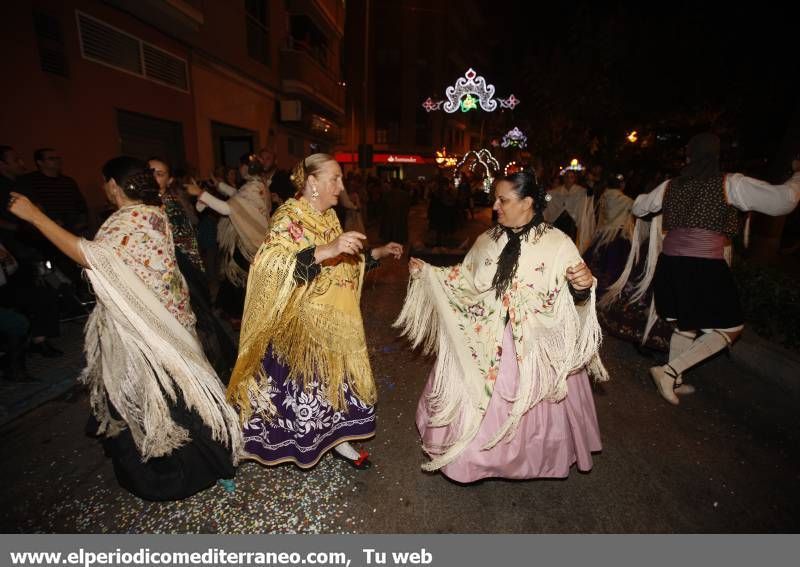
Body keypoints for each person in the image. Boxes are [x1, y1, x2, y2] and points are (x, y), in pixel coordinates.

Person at [7, 157, 241, 500]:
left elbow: (92, 257)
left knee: (165, 400)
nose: (103, 188)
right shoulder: (151, 212)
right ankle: (215, 464)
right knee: (177, 396)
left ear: (114, 185)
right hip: (166, 325)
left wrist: (35, 217)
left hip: (149, 333)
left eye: (105, 182)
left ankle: (184, 473)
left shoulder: (130, 219)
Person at [396, 171, 607, 482]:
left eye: (503, 200)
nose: (495, 205)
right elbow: (464, 279)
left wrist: (581, 285)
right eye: (496, 198)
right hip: (485, 341)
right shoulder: (488, 239)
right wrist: (429, 274)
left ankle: (527, 460)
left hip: (535, 349)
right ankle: (473, 462)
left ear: (528, 203)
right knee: (474, 408)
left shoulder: (557, 242)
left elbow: (572, 297)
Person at [226, 153, 403, 469]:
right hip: (300, 326)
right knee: (301, 394)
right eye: (334, 178)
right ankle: (298, 443)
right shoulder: (289, 217)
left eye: (340, 178)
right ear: (312, 182)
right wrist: (325, 251)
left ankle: (340, 440)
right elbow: (270, 268)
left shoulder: (330, 217)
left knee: (337, 389)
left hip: (333, 321)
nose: (341, 185)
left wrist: (377, 252)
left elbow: (345, 265)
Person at [626, 133, 800, 405]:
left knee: (686, 323)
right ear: (716, 156)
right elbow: (783, 201)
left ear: (690, 157)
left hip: (671, 264)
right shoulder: (729, 184)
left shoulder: (671, 186)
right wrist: (798, 177)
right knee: (731, 328)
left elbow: (639, 207)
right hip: (703, 266)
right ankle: (668, 372)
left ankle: (675, 378)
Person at [149, 157, 237, 383]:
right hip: (162, 275)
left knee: (194, 323)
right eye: (149, 171)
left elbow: (182, 240)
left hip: (180, 271)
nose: (153, 176)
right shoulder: (142, 204)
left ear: (169, 180)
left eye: (159, 173)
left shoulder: (168, 203)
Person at [185, 153, 270, 322]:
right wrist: (220, 185)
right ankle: (235, 312)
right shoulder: (257, 184)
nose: (239, 169)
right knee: (236, 279)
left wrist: (201, 193)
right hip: (248, 240)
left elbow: (227, 208)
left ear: (248, 167)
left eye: (241, 166)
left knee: (239, 279)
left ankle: (240, 316)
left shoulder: (254, 187)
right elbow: (239, 196)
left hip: (247, 242)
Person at [544, 167, 595, 253]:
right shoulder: (557, 191)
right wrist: (545, 196)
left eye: (571, 177)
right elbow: (548, 198)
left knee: (571, 243)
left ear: (574, 179)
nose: (568, 179)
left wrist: (590, 184)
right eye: (566, 176)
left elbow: (589, 197)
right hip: (559, 221)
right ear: (563, 178)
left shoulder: (581, 192)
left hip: (573, 223)